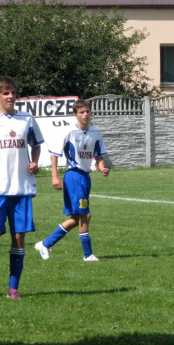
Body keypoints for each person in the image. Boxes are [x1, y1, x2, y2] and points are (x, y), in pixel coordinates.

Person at [0, 77, 44, 300]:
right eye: (6, 93)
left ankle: (13, 288)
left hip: (22, 188)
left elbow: (37, 144)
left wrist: (34, 162)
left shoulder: (27, 119)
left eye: (13, 92)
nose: (11, 97)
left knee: (19, 239)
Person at [35, 99, 110, 261]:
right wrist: (54, 176)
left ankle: (45, 244)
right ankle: (87, 254)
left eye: (87, 111)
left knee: (79, 217)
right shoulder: (68, 132)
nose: (85, 115)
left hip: (85, 176)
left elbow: (99, 156)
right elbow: (54, 154)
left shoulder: (95, 133)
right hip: (73, 176)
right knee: (84, 215)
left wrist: (102, 168)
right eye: (82, 112)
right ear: (75, 115)